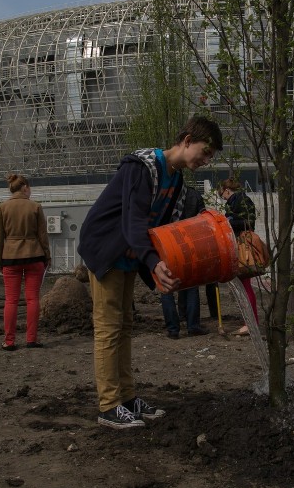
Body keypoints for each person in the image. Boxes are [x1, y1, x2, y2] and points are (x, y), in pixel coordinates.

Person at [78, 115, 223, 429]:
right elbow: (133, 223)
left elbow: (160, 230)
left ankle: (127, 398)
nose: (206, 160)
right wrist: (153, 262)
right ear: (186, 140)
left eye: (211, 156)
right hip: (108, 250)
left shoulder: (176, 180)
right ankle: (109, 405)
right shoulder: (141, 167)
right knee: (109, 327)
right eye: (205, 151)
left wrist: (158, 270)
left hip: (129, 254)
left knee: (125, 325)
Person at [0, 174, 51, 351]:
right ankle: (31, 339)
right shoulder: (35, 207)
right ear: (25, 187)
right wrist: (47, 256)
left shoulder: (2, 208)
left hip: (10, 258)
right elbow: (43, 235)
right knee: (32, 299)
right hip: (35, 256)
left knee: (11, 300)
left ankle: (9, 341)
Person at [161, 185, 209, 338]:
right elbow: (203, 217)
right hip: (189, 244)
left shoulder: (164, 194)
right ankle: (193, 325)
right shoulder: (194, 194)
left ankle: (173, 329)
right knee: (191, 285)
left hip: (166, 243)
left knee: (166, 287)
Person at [218, 178, 258, 336]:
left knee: (246, 286)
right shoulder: (237, 201)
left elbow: (248, 222)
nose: (223, 198)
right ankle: (248, 321)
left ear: (227, 190)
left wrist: (228, 222)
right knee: (244, 286)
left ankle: (250, 323)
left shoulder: (241, 200)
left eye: (223, 195)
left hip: (242, 246)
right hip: (237, 245)